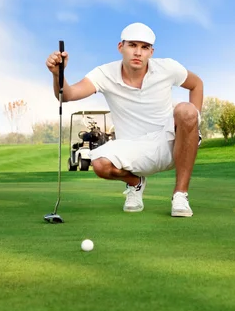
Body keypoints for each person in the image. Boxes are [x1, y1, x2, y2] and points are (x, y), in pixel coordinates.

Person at [45, 22, 203, 217]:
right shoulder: (104, 74)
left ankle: (180, 195)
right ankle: (135, 183)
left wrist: (194, 126)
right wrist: (57, 74)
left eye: (144, 47)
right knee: (100, 164)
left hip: (170, 142)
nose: (138, 52)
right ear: (121, 47)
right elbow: (67, 95)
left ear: (151, 52)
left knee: (187, 110)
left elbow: (196, 84)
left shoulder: (168, 67)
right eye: (132, 45)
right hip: (132, 147)